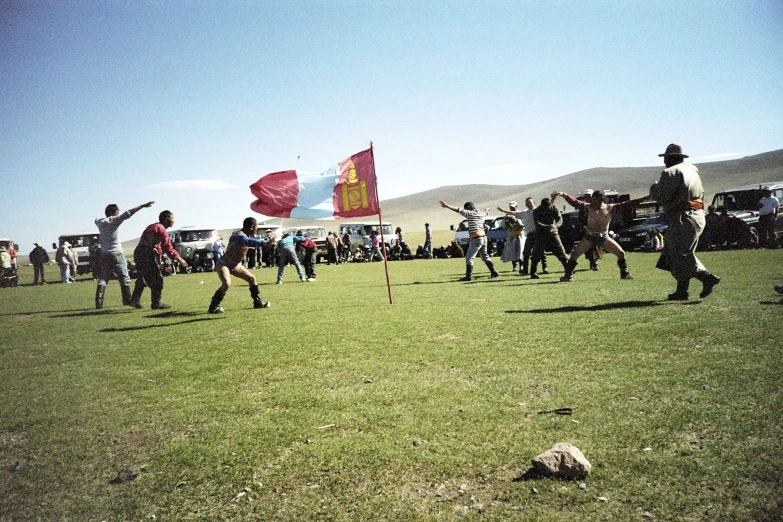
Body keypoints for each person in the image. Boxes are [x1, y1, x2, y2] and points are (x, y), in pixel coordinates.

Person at [649, 143, 720, 300]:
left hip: (683, 217)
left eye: (666, 158)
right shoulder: (692, 169)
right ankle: (682, 290)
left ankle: (706, 277)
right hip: (697, 215)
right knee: (678, 251)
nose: (664, 161)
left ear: (669, 158)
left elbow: (661, 195)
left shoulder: (670, 172)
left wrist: (653, 188)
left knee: (680, 254)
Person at [551, 190, 649, 281]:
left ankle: (625, 273)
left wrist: (645, 198)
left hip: (604, 237)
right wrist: (563, 195)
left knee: (621, 253)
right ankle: (568, 276)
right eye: (593, 200)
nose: (593, 202)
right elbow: (575, 202)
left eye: (596, 200)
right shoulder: (588, 207)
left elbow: (629, 204)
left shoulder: (610, 208)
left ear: (601, 199)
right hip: (589, 237)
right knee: (574, 255)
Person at [94, 201, 155, 309]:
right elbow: (128, 213)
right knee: (124, 277)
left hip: (104, 254)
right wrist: (142, 206)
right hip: (116, 253)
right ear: (114, 212)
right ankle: (127, 300)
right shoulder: (114, 220)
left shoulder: (99, 222)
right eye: (117, 212)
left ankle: (99, 302)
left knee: (103, 278)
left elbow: (96, 220)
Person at [207, 217, 271, 313]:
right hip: (224, 264)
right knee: (227, 284)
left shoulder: (242, 236)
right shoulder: (238, 235)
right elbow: (247, 241)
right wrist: (264, 243)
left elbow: (247, 242)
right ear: (252, 227)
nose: (256, 231)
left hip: (235, 265)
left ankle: (258, 303)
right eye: (256, 228)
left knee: (252, 279)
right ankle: (213, 307)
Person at [129, 210, 188, 309]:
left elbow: (156, 245)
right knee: (157, 278)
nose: (174, 220)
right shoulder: (161, 229)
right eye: (172, 218)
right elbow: (168, 248)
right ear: (166, 219)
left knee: (143, 277)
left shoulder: (153, 226)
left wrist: (157, 254)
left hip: (139, 252)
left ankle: (134, 300)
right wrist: (180, 260)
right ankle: (156, 303)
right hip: (146, 254)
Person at [439, 200, 498, 281]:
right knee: (484, 256)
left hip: (476, 237)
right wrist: (487, 210)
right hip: (484, 237)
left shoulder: (470, 214)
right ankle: (493, 271)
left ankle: (468, 276)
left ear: (469, 208)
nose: (465, 211)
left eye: (466, 209)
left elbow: (458, 209)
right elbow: (486, 212)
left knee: (469, 258)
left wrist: (447, 206)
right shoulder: (480, 213)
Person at [528, 198, 569, 279]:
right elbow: (537, 222)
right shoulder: (536, 211)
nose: (547, 209)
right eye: (545, 207)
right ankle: (533, 272)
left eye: (548, 207)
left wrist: (556, 225)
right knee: (536, 253)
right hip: (541, 234)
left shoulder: (554, 208)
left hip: (553, 233)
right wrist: (547, 226)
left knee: (560, 251)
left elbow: (559, 219)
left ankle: (568, 269)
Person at [516, 197, 545, 276]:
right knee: (526, 253)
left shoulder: (538, 210)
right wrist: (503, 211)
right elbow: (514, 213)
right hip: (530, 235)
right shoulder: (524, 213)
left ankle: (545, 268)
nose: (529, 204)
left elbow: (547, 207)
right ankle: (525, 270)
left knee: (541, 252)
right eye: (527, 203)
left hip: (539, 234)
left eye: (530, 202)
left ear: (534, 203)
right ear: (525, 204)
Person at [496, 201, 526, 272]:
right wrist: (507, 223)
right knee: (512, 251)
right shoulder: (507, 215)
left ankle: (521, 266)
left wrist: (517, 221)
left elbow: (524, 224)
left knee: (520, 251)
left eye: (513, 207)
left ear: (516, 206)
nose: (512, 208)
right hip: (511, 235)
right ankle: (514, 266)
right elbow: (503, 225)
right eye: (510, 207)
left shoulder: (520, 213)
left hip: (520, 235)